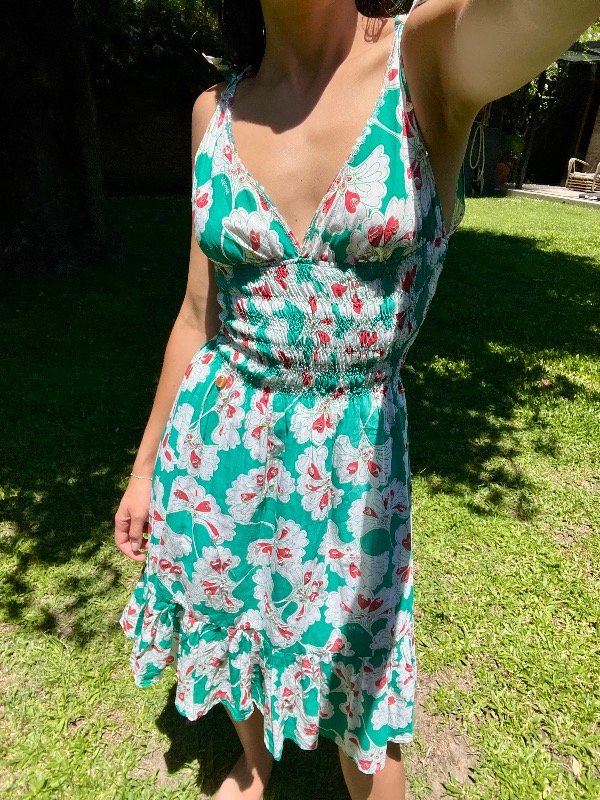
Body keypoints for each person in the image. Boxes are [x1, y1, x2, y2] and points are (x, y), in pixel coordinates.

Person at [114, 1, 600, 798]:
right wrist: (142, 472)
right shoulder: (214, 111)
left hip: (352, 472)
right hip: (216, 450)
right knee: (231, 616)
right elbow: (198, 315)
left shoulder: (429, 58)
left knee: (363, 692)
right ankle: (255, 758)